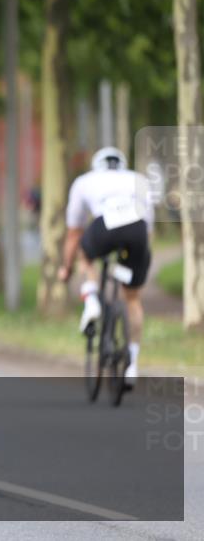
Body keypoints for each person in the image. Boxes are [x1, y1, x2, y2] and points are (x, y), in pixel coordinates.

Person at [57, 146, 154, 384]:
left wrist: (66, 268)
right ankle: (132, 364)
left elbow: (73, 233)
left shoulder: (84, 181)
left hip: (105, 225)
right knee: (132, 299)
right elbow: (149, 225)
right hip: (137, 230)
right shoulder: (138, 179)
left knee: (85, 253)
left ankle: (91, 298)